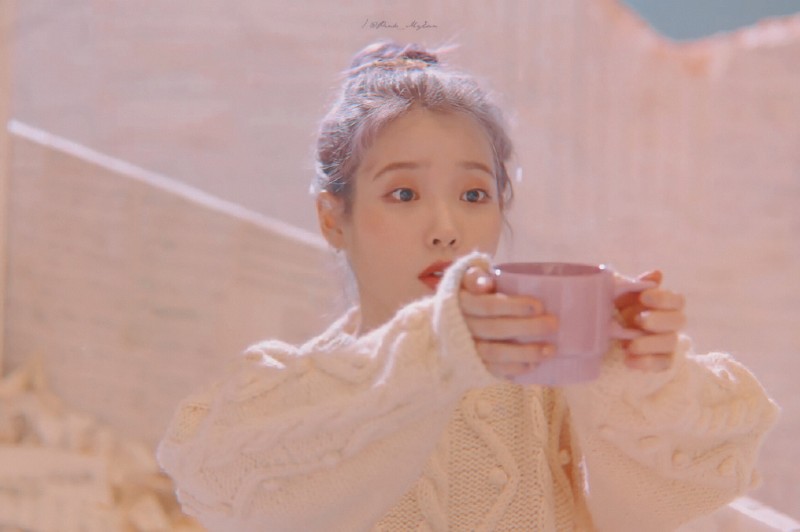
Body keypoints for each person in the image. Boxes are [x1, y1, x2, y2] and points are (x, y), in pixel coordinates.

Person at [157, 40, 779, 531]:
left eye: (474, 195)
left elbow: (667, 503)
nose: (446, 229)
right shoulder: (292, 395)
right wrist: (435, 353)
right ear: (331, 219)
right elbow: (222, 486)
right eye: (404, 193)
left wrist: (637, 371)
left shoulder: (552, 393)